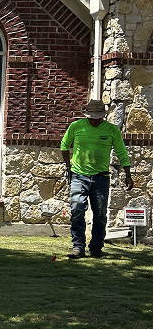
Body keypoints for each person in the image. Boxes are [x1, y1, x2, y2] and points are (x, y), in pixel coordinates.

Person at [60, 99, 133, 258]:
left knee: (100, 213)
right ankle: (78, 247)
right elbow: (64, 145)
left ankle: (96, 248)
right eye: (91, 116)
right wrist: (68, 166)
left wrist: (128, 174)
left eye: (97, 117)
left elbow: (121, 152)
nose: (93, 119)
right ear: (86, 115)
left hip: (101, 178)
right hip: (79, 175)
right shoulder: (76, 126)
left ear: (102, 116)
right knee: (77, 208)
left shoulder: (112, 130)